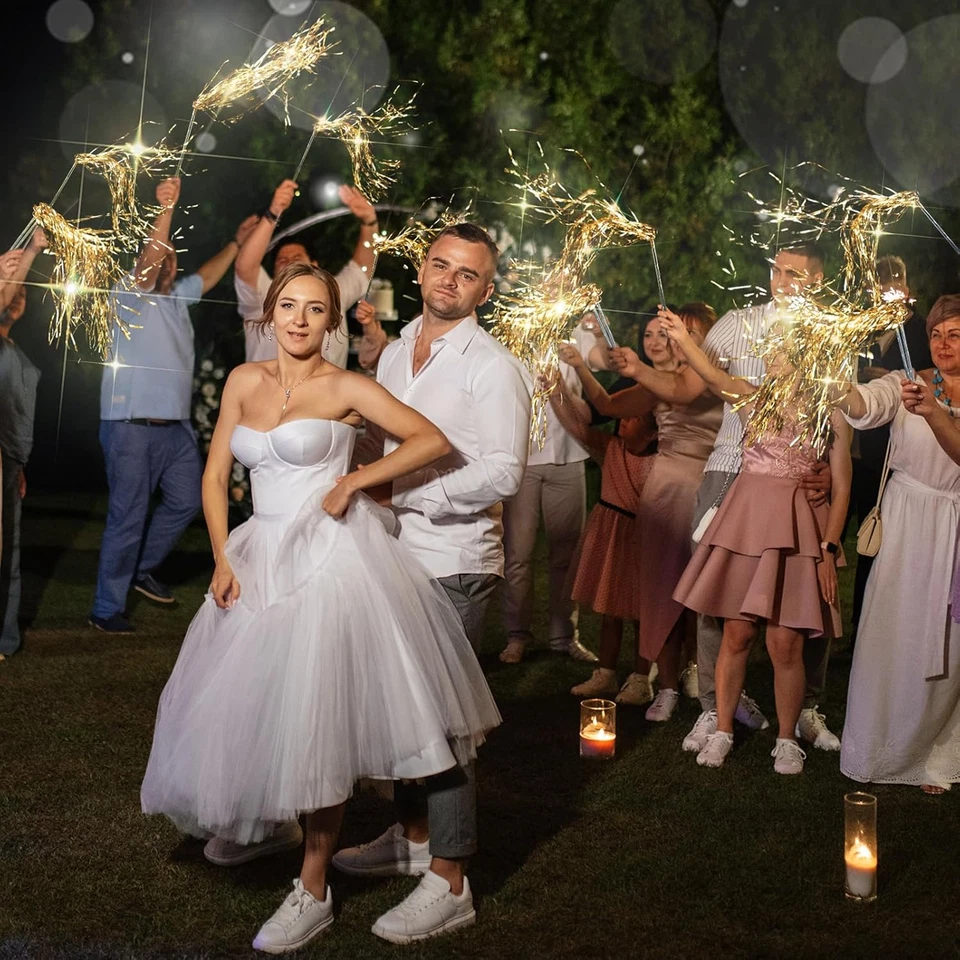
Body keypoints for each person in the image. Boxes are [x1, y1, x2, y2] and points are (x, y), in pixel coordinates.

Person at [141, 261, 501, 953]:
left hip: (333, 561)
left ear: (331, 321)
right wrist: (220, 556)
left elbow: (432, 440)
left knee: (318, 717)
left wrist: (357, 479)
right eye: (288, 306)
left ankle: (312, 890)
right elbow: (218, 474)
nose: (299, 319)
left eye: (314, 309)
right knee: (256, 701)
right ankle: (268, 823)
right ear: (270, 313)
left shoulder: (347, 386)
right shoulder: (246, 381)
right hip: (255, 557)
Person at [331, 223, 530, 944]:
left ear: (486, 287)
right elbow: (384, 441)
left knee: (445, 725)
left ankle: (450, 879)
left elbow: (505, 470)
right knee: (403, 711)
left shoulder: (493, 366)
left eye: (467, 274)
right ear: (423, 268)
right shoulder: (392, 352)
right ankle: (412, 833)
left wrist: (411, 495)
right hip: (393, 556)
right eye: (440, 266)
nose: (450, 280)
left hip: (454, 563)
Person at [610, 247, 840, 752]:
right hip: (730, 469)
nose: (782, 281)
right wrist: (640, 369)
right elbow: (692, 387)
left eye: (796, 275)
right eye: (777, 270)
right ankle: (716, 708)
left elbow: (840, 414)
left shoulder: (832, 335)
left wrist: (830, 471)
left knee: (805, 597)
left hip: (799, 478)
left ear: (819, 282)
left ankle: (804, 709)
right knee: (718, 597)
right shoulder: (737, 324)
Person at [665, 311, 852, 774]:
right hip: (747, 521)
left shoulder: (829, 407)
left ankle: (788, 739)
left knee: (785, 641)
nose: (768, 355)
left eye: (779, 348)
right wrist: (682, 336)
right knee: (737, 631)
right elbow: (709, 373)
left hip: (797, 526)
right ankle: (724, 729)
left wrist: (828, 550)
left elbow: (843, 484)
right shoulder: (752, 397)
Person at [89, 177, 254, 633]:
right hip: (130, 426)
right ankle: (106, 608)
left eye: (172, 259)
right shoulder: (128, 296)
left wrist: (238, 242)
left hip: (175, 430)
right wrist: (166, 210)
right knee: (128, 515)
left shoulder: (177, 299)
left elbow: (213, 271)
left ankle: (140, 568)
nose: (167, 263)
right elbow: (149, 260)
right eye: (160, 256)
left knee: (188, 498)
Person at [836, 294, 960, 794]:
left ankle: (939, 752)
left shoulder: (933, 397)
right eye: (936, 334)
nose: (943, 344)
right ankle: (885, 748)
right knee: (895, 630)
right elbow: (868, 406)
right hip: (908, 521)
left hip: (953, 524)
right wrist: (837, 382)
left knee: (949, 643)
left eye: (955, 334)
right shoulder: (909, 380)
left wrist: (933, 412)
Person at [589, 308, 722, 721]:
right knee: (661, 588)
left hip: (713, 487)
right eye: (673, 331)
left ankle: (699, 671)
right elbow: (607, 405)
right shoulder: (660, 382)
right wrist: (576, 367)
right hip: (666, 489)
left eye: (689, 332)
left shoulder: (723, 379)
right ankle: (664, 686)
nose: (678, 338)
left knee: (705, 591)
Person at [546, 358, 660, 704]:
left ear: (653, 430)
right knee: (611, 609)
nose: (623, 421)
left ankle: (642, 677)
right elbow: (576, 427)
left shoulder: (662, 460)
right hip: (612, 536)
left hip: (644, 540)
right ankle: (606, 673)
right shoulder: (611, 449)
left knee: (643, 612)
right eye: (622, 416)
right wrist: (555, 389)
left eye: (633, 418)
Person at [498, 317, 602, 666]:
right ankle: (516, 635)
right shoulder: (514, 332)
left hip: (567, 455)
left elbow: (604, 360)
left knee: (566, 554)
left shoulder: (580, 335)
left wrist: (600, 331)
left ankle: (565, 636)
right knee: (518, 554)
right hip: (522, 458)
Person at [848, 256, 932, 642]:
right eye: (881, 280)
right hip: (853, 446)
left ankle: (879, 624)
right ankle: (848, 624)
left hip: (890, 451)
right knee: (849, 539)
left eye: (895, 278)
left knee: (882, 535)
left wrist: (884, 378)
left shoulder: (921, 331)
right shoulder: (861, 330)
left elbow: (924, 379)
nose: (888, 286)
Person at [234, 178, 382, 367]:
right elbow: (244, 266)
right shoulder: (263, 294)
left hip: (328, 396)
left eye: (297, 257)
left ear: (315, 265)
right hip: (269, 395)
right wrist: (273, 214)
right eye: (282, 261)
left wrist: (369, 221)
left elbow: (362, 268)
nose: (289, 263)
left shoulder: (333, 292)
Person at [0, 229, 46, 658]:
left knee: (9, 556)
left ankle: (6, 638)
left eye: (22, 295)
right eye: (11, 292)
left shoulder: (22, 357)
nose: (17, 298)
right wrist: (31, 250)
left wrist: (19, 465)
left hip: (10, 465)